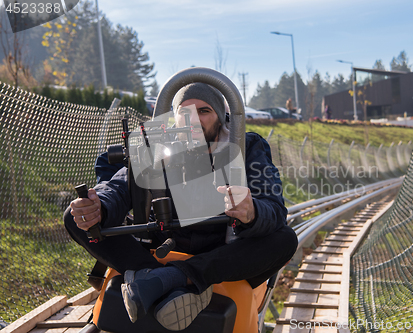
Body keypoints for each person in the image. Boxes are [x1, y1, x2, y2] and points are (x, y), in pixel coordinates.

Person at [64, 82, 298, 331]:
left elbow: (274, 209)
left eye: (204, 111)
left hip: (223, 255)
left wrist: (252, 212)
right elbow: (119, 187)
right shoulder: (159, 148)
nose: (193, 121)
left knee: (284, 239)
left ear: (220, 115)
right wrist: (99, 205)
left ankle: (166, 279)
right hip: (165, 247)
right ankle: (164, 279)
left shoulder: (247, 147)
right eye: (185, 114)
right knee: (75, 217)